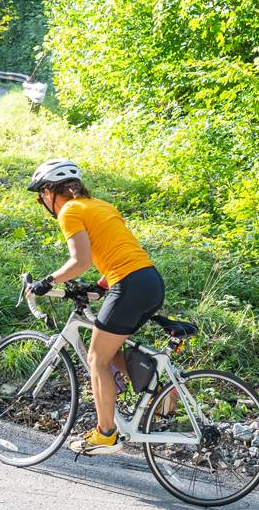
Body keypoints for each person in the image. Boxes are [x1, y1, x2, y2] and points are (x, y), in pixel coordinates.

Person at [23, 159, 164, 455]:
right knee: (111, 350)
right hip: (149, 281)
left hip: (129, 285)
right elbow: (118, 251)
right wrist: (100, 287)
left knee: (97, 360)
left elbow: (81, 261)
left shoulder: (70, 210)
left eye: (40, 198)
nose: (42, 203)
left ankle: (106, 434)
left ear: (49, 193)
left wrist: (46, 282)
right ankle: (162, 392)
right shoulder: (101, 205)